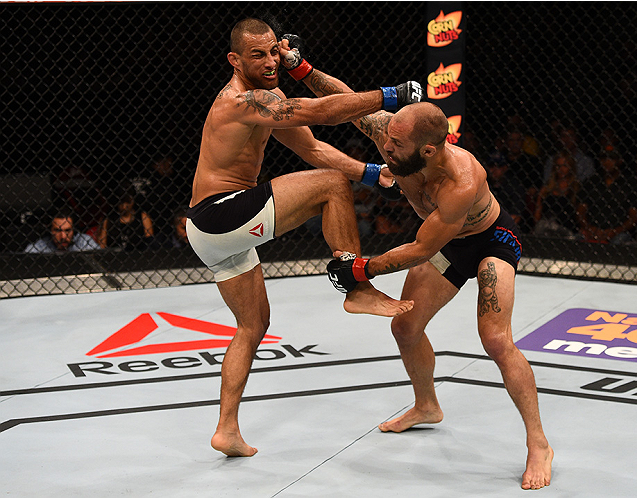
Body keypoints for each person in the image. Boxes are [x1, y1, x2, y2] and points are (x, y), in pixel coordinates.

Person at [288, 44, 552, 489]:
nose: (385, 147)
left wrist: (363, 270)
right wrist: (301, 68)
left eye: (396, 144)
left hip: (489, 241)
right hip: (448, 244)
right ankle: (427, 405)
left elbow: (418, 247)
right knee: (405, 328)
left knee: (495, 340)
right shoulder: (396, 139)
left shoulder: (461, 182)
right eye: (387, 137)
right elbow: (347, 102)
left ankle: (538, 442)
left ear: (429, 151)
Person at [186, 19, 420, 459]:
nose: (272, 61)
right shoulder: (242, 100)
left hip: (211, 232)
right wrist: (392, 95)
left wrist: (375, 174)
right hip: (220, 213)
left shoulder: (268, 100)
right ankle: (357, 288)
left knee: (253, 326)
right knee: (331, 186)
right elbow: (318, 111)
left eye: (275, 51)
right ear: (235, 61)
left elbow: (312, 147)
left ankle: (226, 430)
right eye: (258, 55)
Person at [577, 147, 637, 244]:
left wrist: (613, 232)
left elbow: (634, 217)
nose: (607, 162)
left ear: (620, 160)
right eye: (603, 158)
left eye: (611, 158)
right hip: (591, 230)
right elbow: (580, 210)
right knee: (574, 239)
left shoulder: (631, 184)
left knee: (620, 241)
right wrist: (589, 228)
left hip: (619, 233)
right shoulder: (592, 181)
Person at [533, 150, 581, 239]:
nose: (561, 170)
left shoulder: (576, 188)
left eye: (565, 166)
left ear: (571, 167)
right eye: (558, 166)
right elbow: (537, 217)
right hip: (546, 229)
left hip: (567, 231)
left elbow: (578, 216)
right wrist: (539, 197)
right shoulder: (547, 188)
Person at [24, 211, 101, 253]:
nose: (63, 236)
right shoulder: (38, 248)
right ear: (50, 230)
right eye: (57, 230)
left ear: (74, 230)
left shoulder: (83, 242)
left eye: (67, 230)